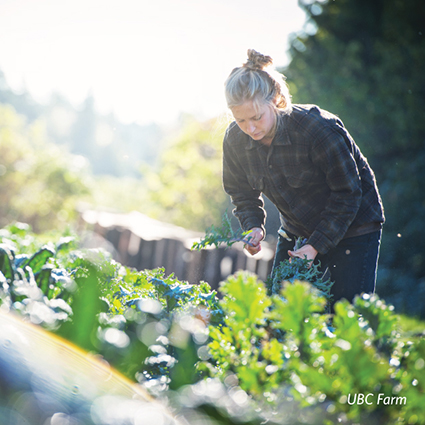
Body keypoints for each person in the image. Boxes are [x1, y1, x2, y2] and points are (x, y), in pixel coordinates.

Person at [222, 49, 385, 305]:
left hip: (354, 226)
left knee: (346, 316)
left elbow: (348, 193)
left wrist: (315, 246)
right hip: (296, 230)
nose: (250, 128)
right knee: (283, 315)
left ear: (275, 100)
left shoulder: (318, 130)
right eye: (241, 120)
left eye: (256, 118)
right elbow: (241, 191)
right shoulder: (235, 139)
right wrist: (253, 226)